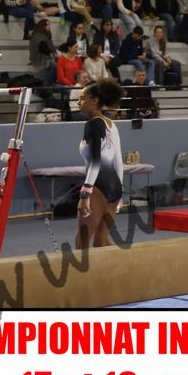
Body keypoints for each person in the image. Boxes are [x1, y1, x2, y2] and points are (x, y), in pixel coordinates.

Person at [75, 80, 126, 249]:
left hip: (98, 186)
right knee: (101, 243)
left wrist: (85, 193)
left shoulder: (93, 123)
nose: (78, 102)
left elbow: (95, 161)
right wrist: (120, 192)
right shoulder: (111, 124)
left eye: (82, 98)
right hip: (114, 187)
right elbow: (119, 162)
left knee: (82, 244)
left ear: (95, 100)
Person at [29, 18, 58, 85]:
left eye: (49, 25)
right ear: (42, 26)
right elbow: (43, 48)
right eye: (47, 25)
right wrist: (52, 54)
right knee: (55, 66)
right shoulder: (37, 36)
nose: (49, 27)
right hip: (40, 59)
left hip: (45, 58)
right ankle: (46, 84)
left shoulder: (45, 35)